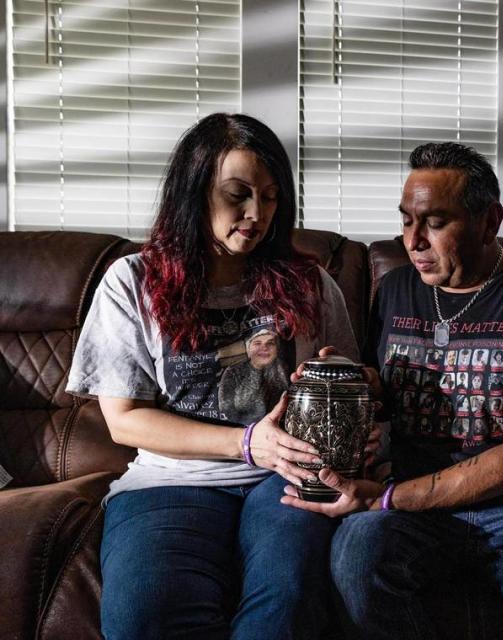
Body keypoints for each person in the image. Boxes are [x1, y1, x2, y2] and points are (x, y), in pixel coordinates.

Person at [281, 142, 503, 639]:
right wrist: (355, 382)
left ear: (488, 221)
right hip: (414, 497)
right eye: (406, 220)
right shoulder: (395, 291)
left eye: (434, 222)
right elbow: (387, 390)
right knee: (356, 559)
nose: (413, 241)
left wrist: (385, 498)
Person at [66, 113, 362, 639]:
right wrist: (249, 443)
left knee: (286, 604)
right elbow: (125, 422)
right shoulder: (132, 282)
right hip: (170, 479)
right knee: (143, 617)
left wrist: (352, 404)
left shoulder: (309, 283)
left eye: (270, 197)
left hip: (287, 477)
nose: (255, 214)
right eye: (237, 194)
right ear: (195, 192)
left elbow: (345, 386)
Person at [218, 328, 290, 424]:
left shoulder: (282, 368)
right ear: (249, 349)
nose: (264, 348)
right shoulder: (233, 371)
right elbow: (226, 408)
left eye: (270, 343)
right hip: (241, 430)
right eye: (257, 343)